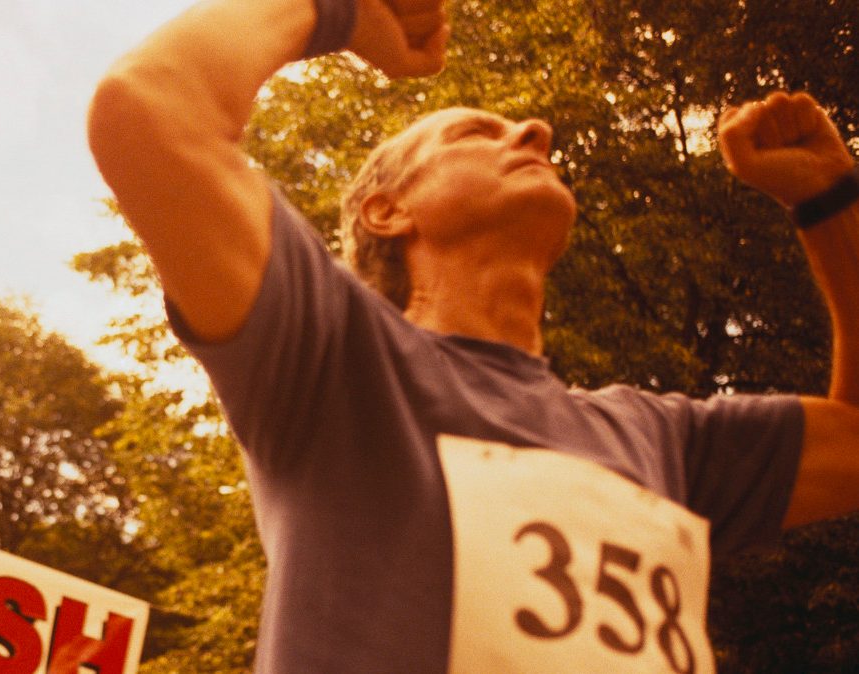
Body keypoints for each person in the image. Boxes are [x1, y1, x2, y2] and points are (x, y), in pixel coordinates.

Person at [87, 0, 859, 671]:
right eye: (474, 134)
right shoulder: (330, 356)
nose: (535, 128)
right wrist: (342, 11)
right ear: (387, 212)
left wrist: (833, 203)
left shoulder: (662, 438)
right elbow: (149, 109)